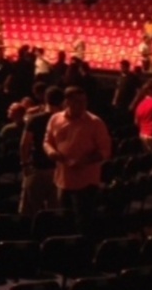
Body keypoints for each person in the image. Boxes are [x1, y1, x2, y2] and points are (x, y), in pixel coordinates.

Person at [43, 86, 112, 235]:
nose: (82, 105)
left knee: (83, 222)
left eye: (84, 101)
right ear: (67, 102)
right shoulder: (55, 119)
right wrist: (52, 152)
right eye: (77, 102)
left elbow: (105, 151)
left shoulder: (95, 123)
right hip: (63, 179)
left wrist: (85, 161)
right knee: (64, 219)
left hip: (86, 181)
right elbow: (47, 141)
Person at [19, 85, 64, 217]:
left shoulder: (35, 119)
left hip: (37, 168)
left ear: (45, 99)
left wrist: (25, 164)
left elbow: (24, 144)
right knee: (54, 211)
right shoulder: (64, 120)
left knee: (29, 210)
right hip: (57, 169)